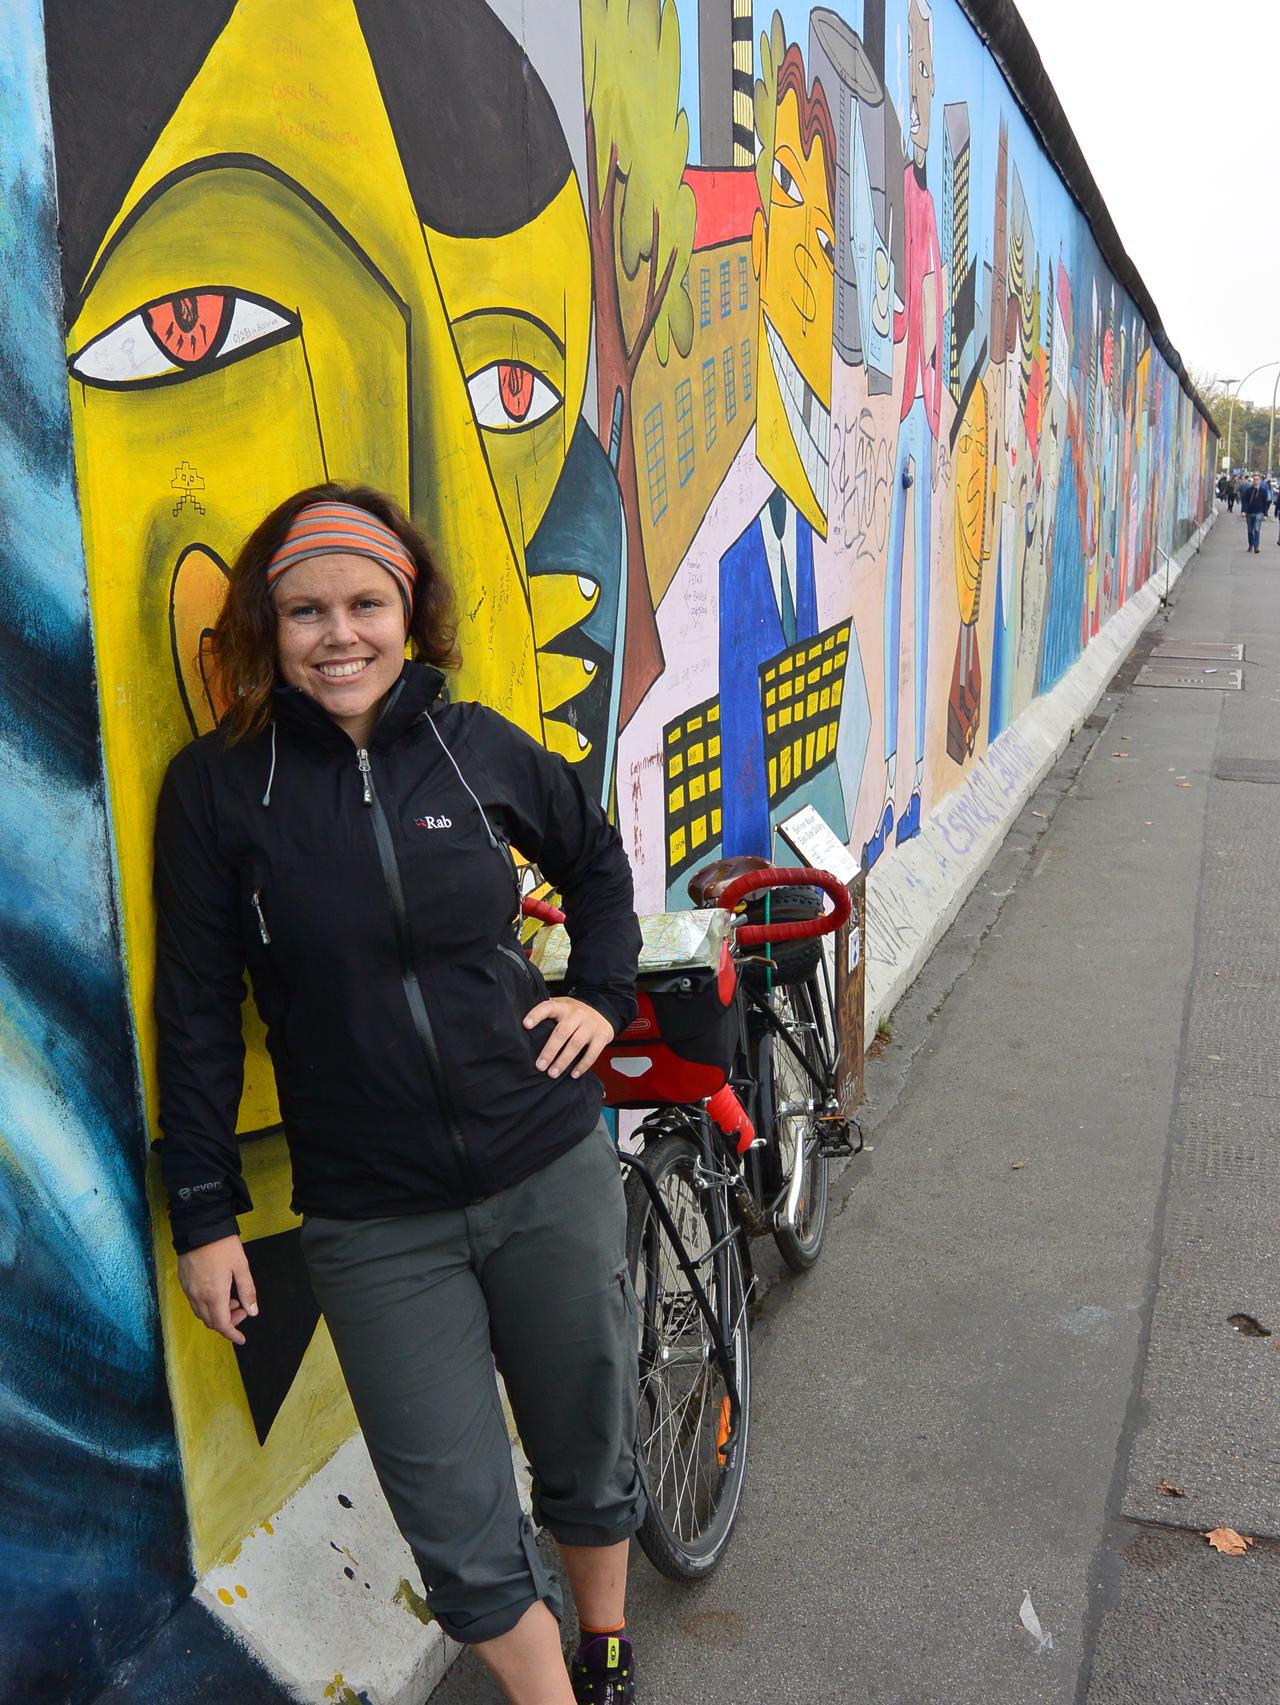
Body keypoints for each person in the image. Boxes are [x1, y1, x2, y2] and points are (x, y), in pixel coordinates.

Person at [153, 484, 645, 1705]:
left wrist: (601, 993)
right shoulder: (218, 791)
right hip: (374, 1219)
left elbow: (592, 858)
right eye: (306, 609)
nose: (339, 634)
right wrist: (204, 1213)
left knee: (587, 1439)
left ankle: (609, 1642)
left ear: (408, 611)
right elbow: (199, 1012)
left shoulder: (472, 744)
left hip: (542, 1163)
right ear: (267, 627)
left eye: (366, 603)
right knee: (455, 1514)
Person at [1242, 472, 1270, 551]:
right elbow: (1245, 501)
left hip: (1259, 512)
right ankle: (1250, 544)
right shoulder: (1248, 491)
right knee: (1250, 530)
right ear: (1252, 480)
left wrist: (1265, 514)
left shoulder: (1263, 491)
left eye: (1257, 479)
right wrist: (1243, 511)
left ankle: (1256, 546)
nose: (1256, 481)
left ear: (1260, 480)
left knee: (1257, 529)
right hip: (1249, 512)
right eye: (1254, 479)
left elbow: (1265, 503)